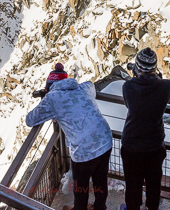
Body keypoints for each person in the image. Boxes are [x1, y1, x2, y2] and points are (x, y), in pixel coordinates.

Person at [26, 69, 112, 210]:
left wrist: (45, 99)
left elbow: (30, 120)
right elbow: (91, 84)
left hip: (84, 150)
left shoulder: (52, 98)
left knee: (81, 189)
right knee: (100, 180)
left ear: (49, 87)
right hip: (105, 139)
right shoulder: (81, 87)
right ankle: (100, 207)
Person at [121, 48, 170, 210]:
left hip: (131, 145)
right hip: (154, 145)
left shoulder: (127, 87)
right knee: (154, 183)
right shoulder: (166, 87)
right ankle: (152, 207)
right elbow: (161, 83)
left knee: (132, 183)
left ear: (137, 67)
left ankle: (132, 207)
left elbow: (129, 104)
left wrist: (137, 76)